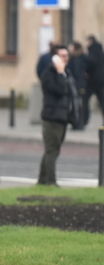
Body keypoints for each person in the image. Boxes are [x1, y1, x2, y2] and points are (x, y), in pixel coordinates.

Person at [37, 45, 77, 186]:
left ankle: (42, 180)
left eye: (67, 56)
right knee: (52, 150)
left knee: (52, 150)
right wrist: (60, 73)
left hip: (62, 117)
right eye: (62, 56)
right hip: (52, 117)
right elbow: (59, 90)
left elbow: (72, 94)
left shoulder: (67, 73)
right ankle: (50, 181)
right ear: (54, 58)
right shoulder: (49, 75)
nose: (66, 59)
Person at [67, 41, 88, 129]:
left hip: (77, 85)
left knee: (77, 105)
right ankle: (76, 122)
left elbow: (77, 73)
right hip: (76, 84)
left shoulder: (77, 59)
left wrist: (79, 85)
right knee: (77, 104)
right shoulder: (77, 58)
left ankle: (78, 123)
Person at [85, 35, 104, 126]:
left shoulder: (92, 53)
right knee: (102, 101)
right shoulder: (101, 52)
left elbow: (90, 65)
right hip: (101, 80)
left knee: (85, 99)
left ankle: (83, 120)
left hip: (92, 80)